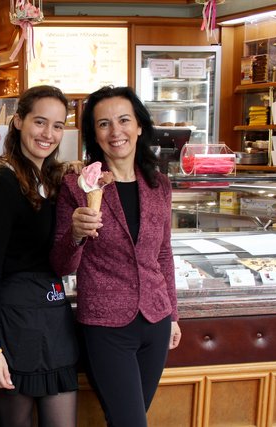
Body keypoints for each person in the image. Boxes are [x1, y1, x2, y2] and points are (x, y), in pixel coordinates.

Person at [50, 85, 182, 427]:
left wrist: (173, 315)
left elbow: (163, 254)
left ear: (139, 125)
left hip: (156, 320)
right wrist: (76, 235)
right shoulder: (77, 185)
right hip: (106, 325)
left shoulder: (159, 185)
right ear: (94, 133)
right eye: (103, 123)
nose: (115, 131)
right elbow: (61, 264)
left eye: (124, 120)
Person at [0, 85, 79, 427]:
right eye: (40, 122)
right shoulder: (1, 185)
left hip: (54, 318)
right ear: (19, 121)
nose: (48, 134)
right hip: (13, 325)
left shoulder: (52, 181)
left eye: (57, 125)